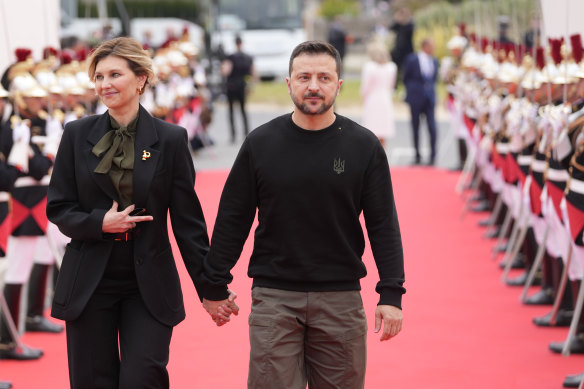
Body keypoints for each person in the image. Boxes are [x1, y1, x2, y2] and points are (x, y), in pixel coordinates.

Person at [201, 40, 405, 389]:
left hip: (341, 298)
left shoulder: (363, 146)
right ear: (289, 83)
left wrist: (391, 294)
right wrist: (214, 282)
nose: (314, 86)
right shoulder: (260, 143)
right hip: (274, 298)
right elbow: (234, 216)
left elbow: (383, 223)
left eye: (324, 78)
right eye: (304, 77)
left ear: (339, 85)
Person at [46, 37, 213, 388]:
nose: (104, 84)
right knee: (94, 381)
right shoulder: (76, 134)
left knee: (143, 379)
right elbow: (59, 207)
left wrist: (210, 288)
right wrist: (98, 223)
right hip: (89, 283)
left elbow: (188, 223)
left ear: (140, 79)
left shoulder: (170, 139)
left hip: (148, 285)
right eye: (99, 76)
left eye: (115, 74)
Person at [403, 37, 439, 165]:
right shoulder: (413, 59)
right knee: (415, 126)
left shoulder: (434, 61)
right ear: (424, 46)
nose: (433, 49)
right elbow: (406, 77)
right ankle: (417, 155)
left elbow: (434, 79)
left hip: (429, 98)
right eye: (431, 46)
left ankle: (433, 155)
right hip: (416, 97)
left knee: (432, 126)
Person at [360, 39, 398, 147]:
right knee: (383, 132)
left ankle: (373, 160)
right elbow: (391, 86)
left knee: (371, 131)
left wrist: (363, 97)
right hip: (385, 99)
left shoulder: (369, 67)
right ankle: (382, 158)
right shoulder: (392, 67)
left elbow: (365, 87)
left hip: (372, 100)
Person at [221, 35, 255, 143]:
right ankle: (246, 132)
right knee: (243, 110)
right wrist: (251, 86)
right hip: (242, 85)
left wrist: (221, 68)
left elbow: (226, 71)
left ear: (235, 43)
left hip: (231, 86)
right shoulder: (248, 57)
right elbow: (253, 73)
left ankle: (233, 134)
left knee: (231, 110)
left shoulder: (231, 57)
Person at [389, 7, 414, 82]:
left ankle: (406, 82)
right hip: (398, 51)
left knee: (407, 68)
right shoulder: (398, 25)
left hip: (407, 51)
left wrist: (405, 19)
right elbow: (391, 28)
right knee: (395, 67)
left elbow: (410, 30)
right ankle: (395, 83)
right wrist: (397, 18)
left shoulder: (410, 25)